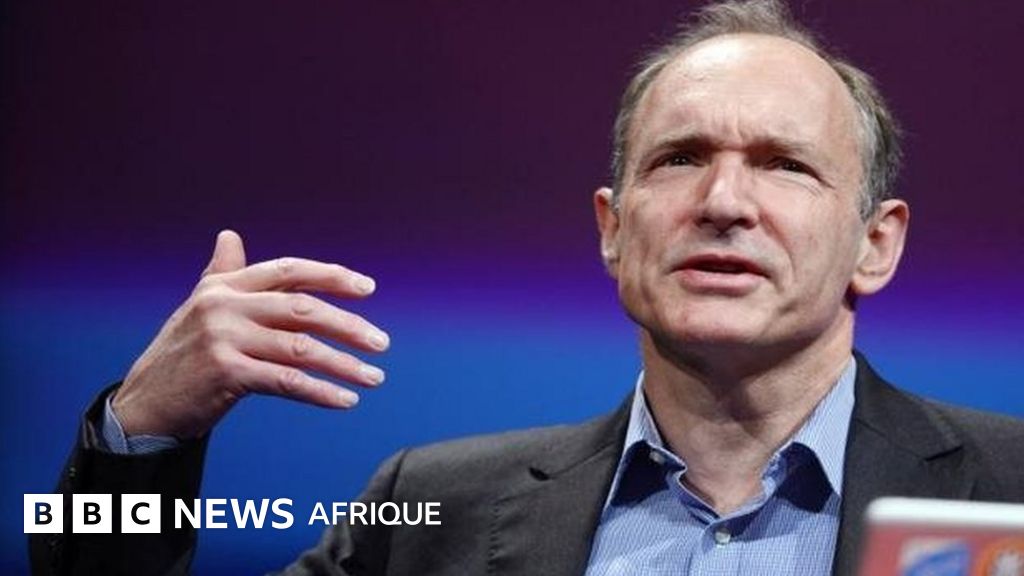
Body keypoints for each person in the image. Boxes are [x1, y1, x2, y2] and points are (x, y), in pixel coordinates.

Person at [30, 1, 1024, 575]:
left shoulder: (1010, 491)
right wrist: (142, 432)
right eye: (679, 158)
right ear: (611, 229)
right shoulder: (431, 513)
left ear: (875, 245)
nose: (724, 202)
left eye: (784, 165)